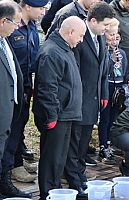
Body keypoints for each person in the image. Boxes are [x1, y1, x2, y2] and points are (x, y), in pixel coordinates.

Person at [63, 2, 114, 197]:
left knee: (84, 140)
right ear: (93, 21)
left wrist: (104, 94)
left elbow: (102, 70)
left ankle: (80, 171)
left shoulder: (99, 38)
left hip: (94, 98)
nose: (107, 29)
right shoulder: (79, 38)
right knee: (74, 141)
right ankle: (73, 177)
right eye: (105, 25)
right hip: (79, 98)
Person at [32, 16, 86, 200]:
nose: (81, 40)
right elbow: (47, 88)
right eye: (80, 35)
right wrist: (52, 115)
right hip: (57, 115)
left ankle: (57, 192)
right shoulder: (51, 52)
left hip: (67, 112)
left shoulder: (65, 48)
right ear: (70, 32)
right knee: (52, 158)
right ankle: (47, 194)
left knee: (61, 157)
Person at [4, 0, 47, 184]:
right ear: (27, 7)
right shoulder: (11, 28)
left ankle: (16, 159)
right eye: (41, 8)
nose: (44, 12)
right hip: (10, 87)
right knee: (10, 128)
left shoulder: (32, 27)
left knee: (20, 125)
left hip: (26, 84)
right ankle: (11, 167)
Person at [0, 1, 28, 198]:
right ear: (3, 21)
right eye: (15, 22)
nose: (18, 27)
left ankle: (4, 183)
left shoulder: (5, 39)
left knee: (7, 149)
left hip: (11, 107)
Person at [97, 18, 128, 165]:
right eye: (111, 36)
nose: (114, 40)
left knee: (114, 117)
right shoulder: (103, 51)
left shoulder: (122, 53)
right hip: (107, 87)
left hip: (118, 87)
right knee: (105, 117)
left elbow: (125, 70)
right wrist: (111, 60)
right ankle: (103, 146)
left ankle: (110, 142)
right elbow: (103, 71)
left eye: (117, 37)